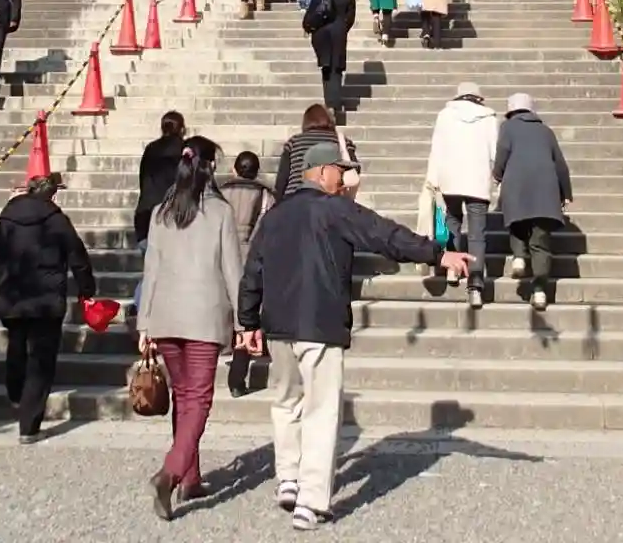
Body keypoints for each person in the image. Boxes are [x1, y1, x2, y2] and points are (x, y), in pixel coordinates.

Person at [237, 140, 471, 530]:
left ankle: (288, 479)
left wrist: (248, 322)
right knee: (322, 409)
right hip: (320, 322)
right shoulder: (335, 210)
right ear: (323, 172)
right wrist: (437, 253)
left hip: (278, 324)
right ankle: (311, 501)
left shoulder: (275, 215)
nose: (344, 179)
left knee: (286, 402)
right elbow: (385, 235)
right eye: (340, 171)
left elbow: (253, 269)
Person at [137, 136, 244, 519]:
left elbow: (151, 271)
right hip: (204, 315)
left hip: (165, 315)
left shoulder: (161, 213)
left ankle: (190, 477)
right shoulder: (220, 212)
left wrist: (144, 323)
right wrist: (245, 320)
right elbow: (233, 272)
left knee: (183, 396)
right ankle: (170, 473)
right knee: (198, 398)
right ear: (210, 167)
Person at [0, 172, 96, 441]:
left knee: (16, 343)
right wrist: (86, 289)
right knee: (41, 361)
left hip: (13, 295)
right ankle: (29, 425)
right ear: (51, 194)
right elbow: (77, 255)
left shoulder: (8, 218)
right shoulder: (56, 220)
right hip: (46, 298)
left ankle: (15, 393)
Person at [492, 94, 571, 313]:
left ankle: (518, 257)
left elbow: (502, 153)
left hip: (516, 185)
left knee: (516, 221)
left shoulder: (507, 127)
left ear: (511, 111)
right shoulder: (546, 131)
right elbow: (560, 164)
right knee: (540, 243)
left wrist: (497, 174)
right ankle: (539, 290)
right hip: (546, 189)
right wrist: (566, 192)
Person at [424, 83, 500, 309]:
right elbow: (495, 152)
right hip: (478, 181)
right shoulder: (489, 118)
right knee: (477, 235)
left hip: (450, 179)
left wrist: (433, 180)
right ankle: (475, 286)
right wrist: (497, 177)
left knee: (452, 222)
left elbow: (436, 149)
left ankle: (453, 269)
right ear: (479, 98)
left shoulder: (445, 115)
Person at [220, 152, 274, 397]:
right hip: (253, 257)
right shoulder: (265, 195)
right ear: (256, 170)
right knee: (247, 314)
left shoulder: (220, 194)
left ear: (235, 169)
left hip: (224, 256)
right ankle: (237, 378)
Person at [304, 0, 358, 124]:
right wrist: (342, 28)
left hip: (320, 35)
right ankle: (334, 105)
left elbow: (311, 12)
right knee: (336, 69)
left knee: (326, 68)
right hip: (338, 34)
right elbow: (350, 18)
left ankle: (329, 103)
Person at [273, 104, 360, 201]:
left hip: (295, 198)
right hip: (332, 199)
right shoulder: (341, 140)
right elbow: (355, 169)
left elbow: (282, 179)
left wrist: (278, 202)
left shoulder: (294, 141)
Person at [134, 111, 188, 245]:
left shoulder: (151, 148)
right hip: (176, 216)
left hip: (147, 212)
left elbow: (143, 178)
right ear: (182, 129)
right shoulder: (185, 149)